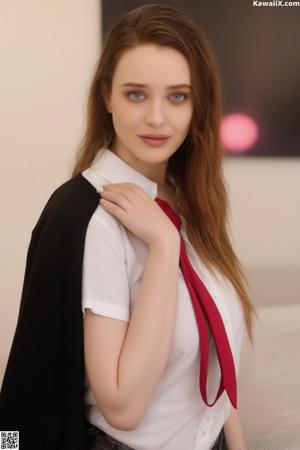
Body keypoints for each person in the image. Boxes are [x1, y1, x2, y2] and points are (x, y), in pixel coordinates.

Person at [0, 4, 257, 450]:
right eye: (136, 94)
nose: (157, 118)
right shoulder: (92, 218)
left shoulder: (189, 197)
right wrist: (162, 245)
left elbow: (217, 362)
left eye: (178, 96)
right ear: (107, 97)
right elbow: (123, 407)